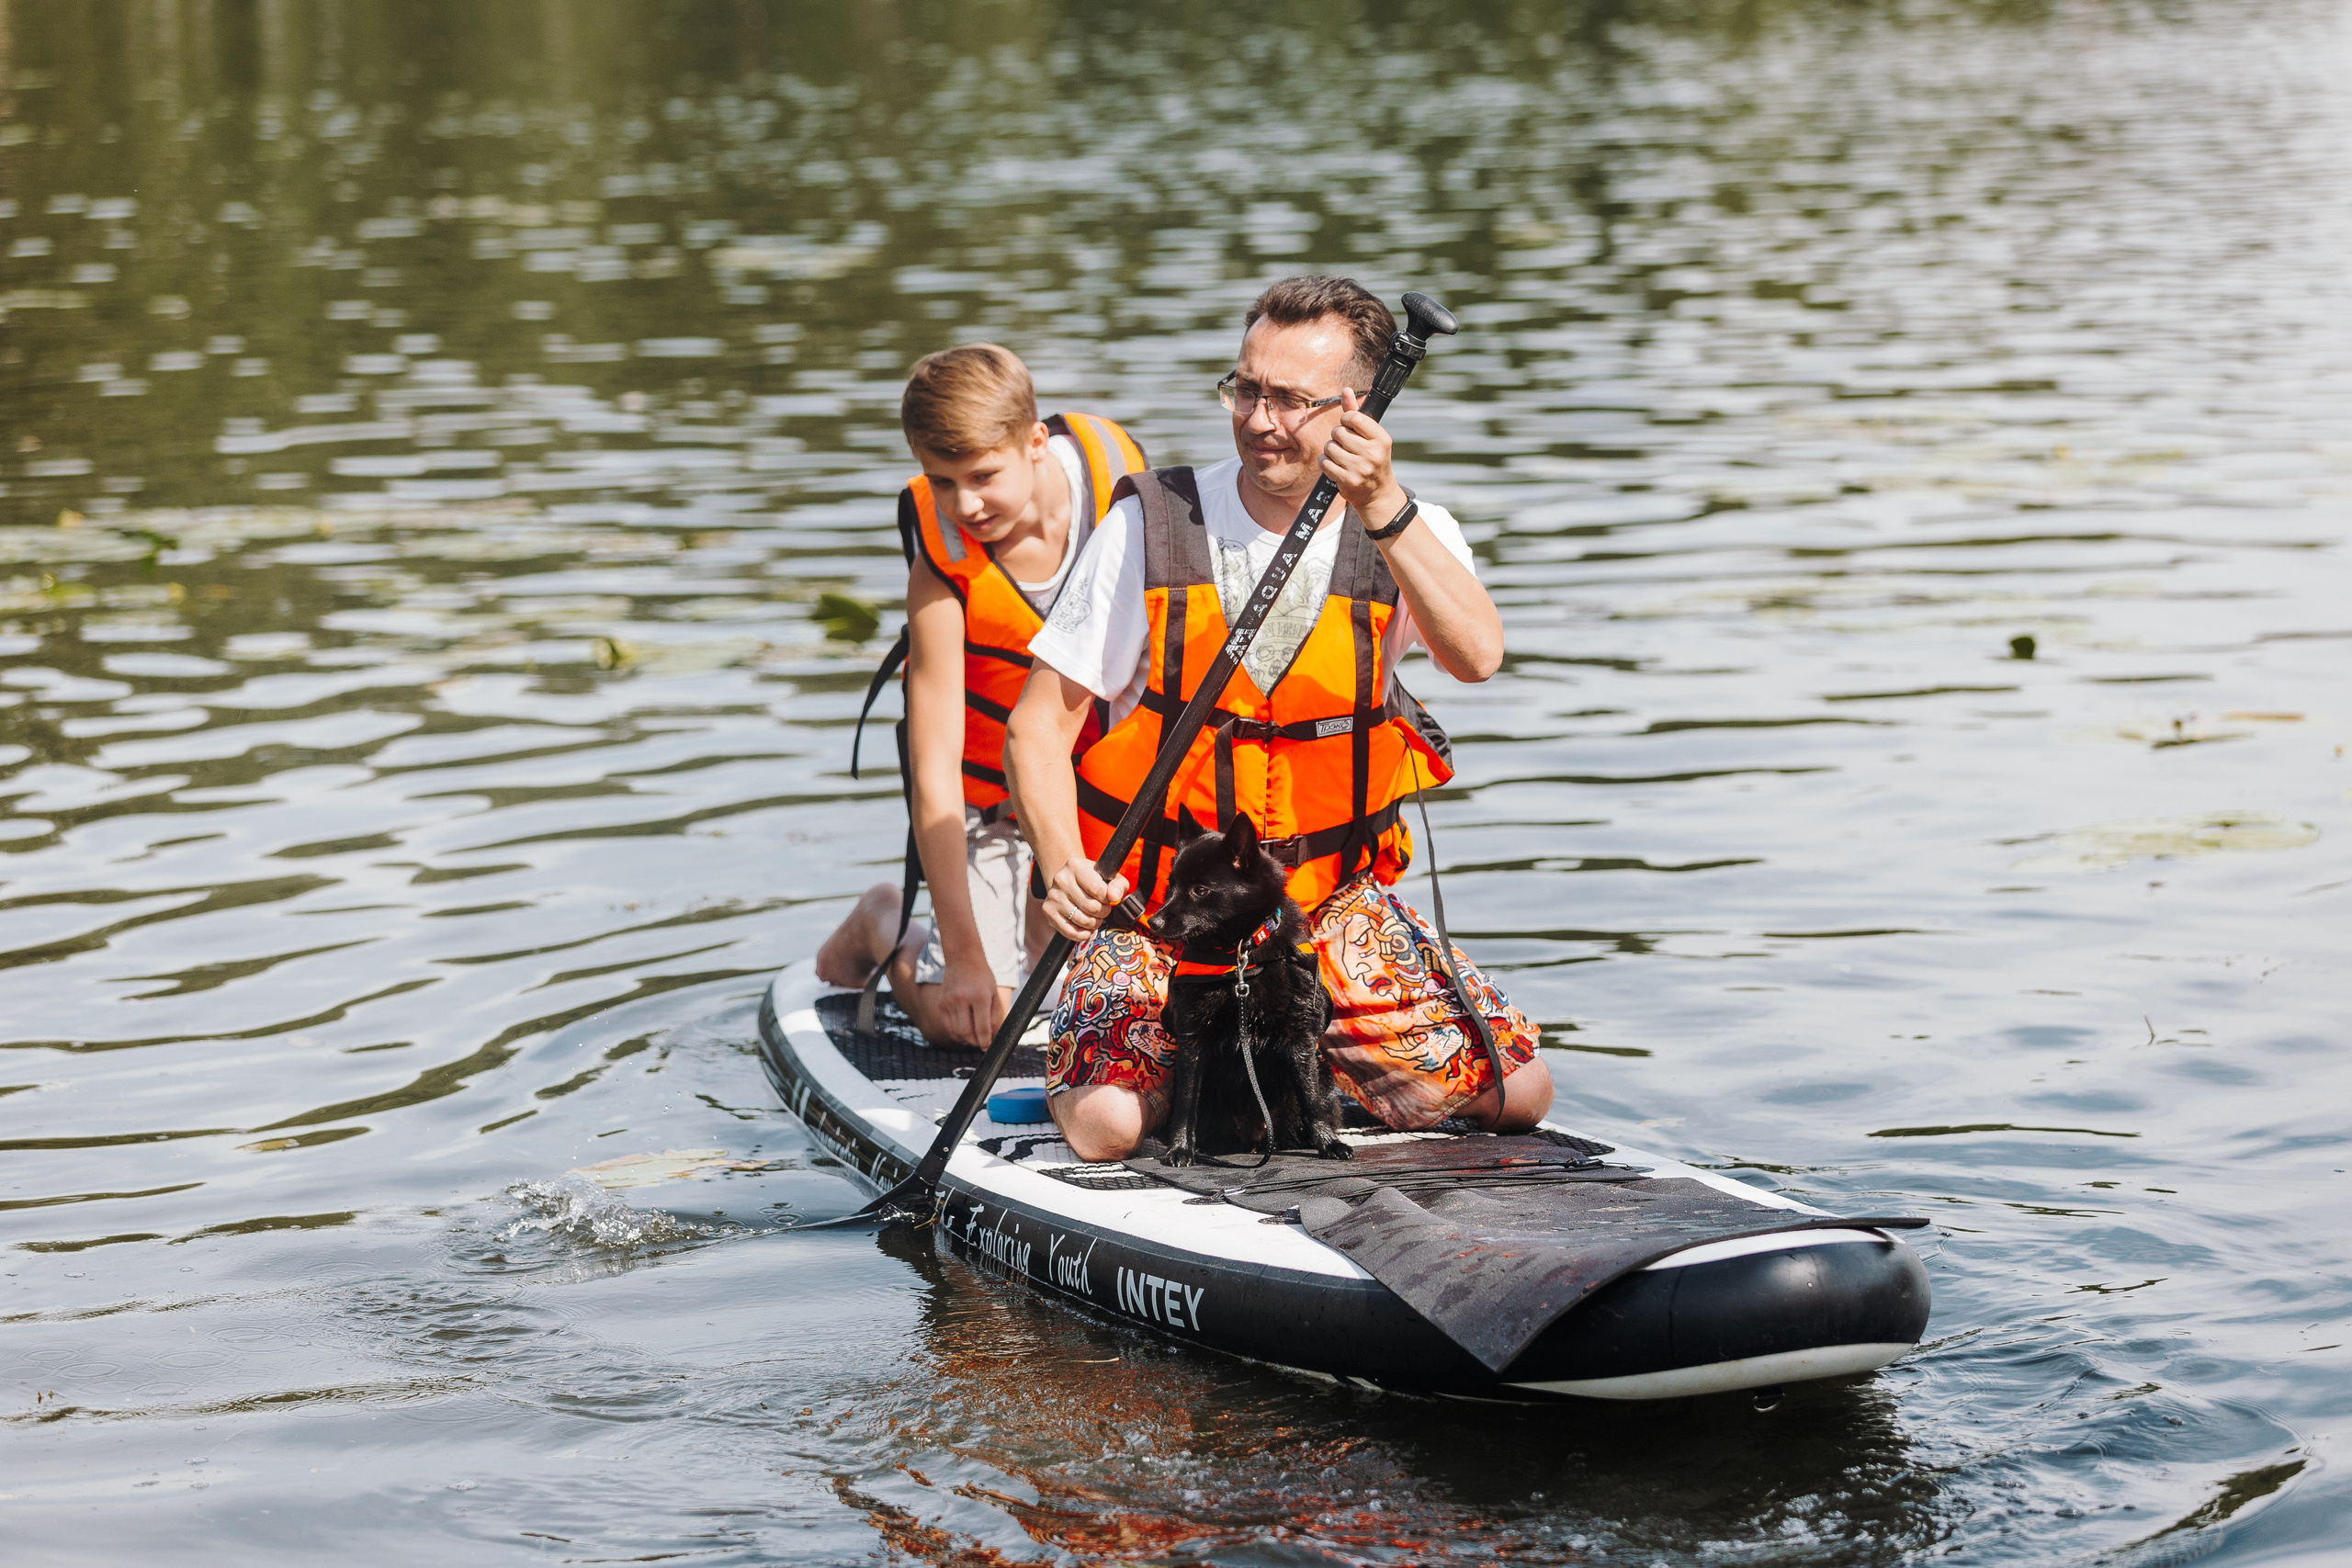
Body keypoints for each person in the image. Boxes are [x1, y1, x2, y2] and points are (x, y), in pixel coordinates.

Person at [1003, 276, 1555, 1160]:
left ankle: (1289, 1061)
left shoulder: (1411, 529)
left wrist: (1382, 506)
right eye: (1246, 388)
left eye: (1292, 400)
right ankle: (1185, 1064)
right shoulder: (1150, 523)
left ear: (1360, 409)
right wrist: (1064, 861)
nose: (1261, 419)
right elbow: (1035, 729)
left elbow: (1478, 655)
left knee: (1519, 1091)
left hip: (1324, 911)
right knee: (1106, 1128)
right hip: (1159, 909)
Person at [815, 344, 1147, 1047]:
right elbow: (934, 774)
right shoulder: (942, 560)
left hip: (1090, 791)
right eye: (941, 481)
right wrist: (961, 955)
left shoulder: (1119, 482)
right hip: (988, 801)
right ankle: (883, 923)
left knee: (1124, 986)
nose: (965, 504)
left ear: (1035, 443)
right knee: (978, 1021)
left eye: (983, 476)